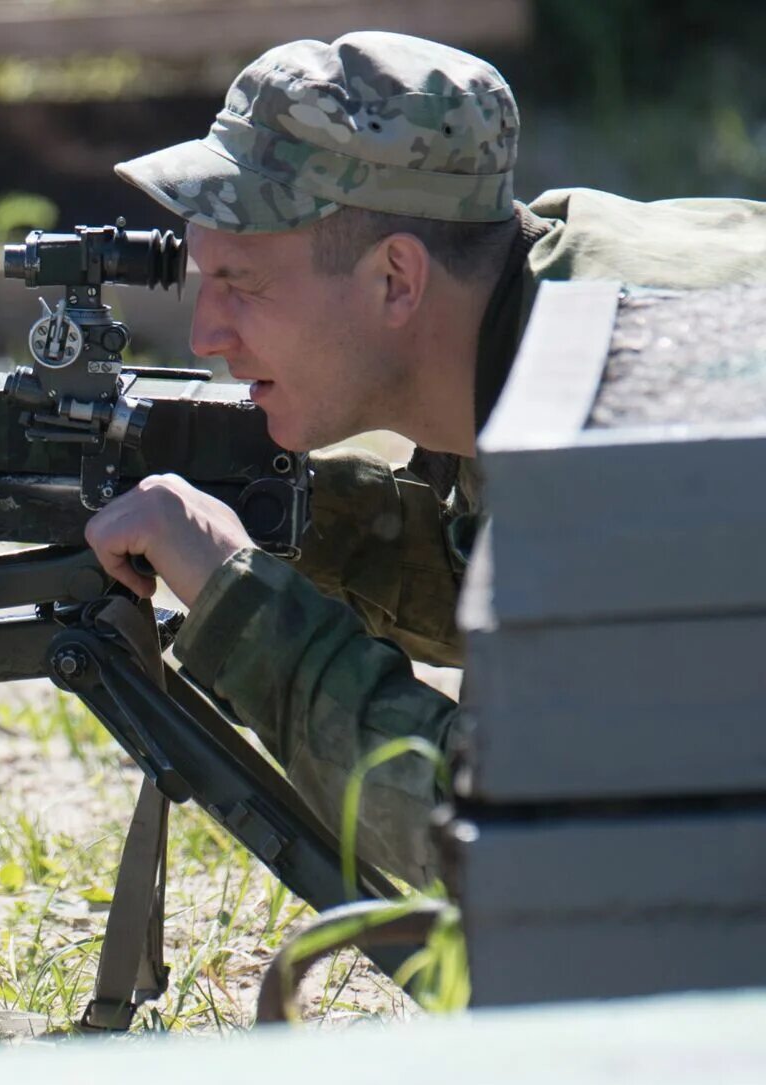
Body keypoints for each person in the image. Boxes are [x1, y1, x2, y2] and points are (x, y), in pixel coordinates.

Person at [83, 31, 766, 886]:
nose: (205, 335)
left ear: (397, 280)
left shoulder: (622, 425)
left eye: (243, 285)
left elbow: (520, 844)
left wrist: (239, 605)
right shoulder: (548, 296)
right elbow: (502, 583)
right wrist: (294, 518)